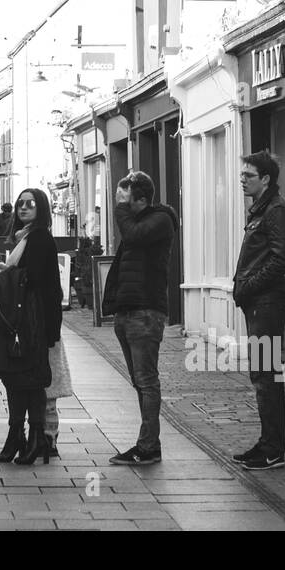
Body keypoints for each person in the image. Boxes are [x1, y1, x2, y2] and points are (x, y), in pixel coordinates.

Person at [102, 170, 176, 465]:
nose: (122, 205)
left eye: (127, 200)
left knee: (146, 381)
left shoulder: (160, 221)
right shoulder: (140, 221)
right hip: (129, 311)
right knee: (139, 381)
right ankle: (149, 444)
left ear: (142, 200)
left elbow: (131, 236)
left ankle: (148, 447)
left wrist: (120, 206)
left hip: (146, 312)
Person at [0, 188, 63, 465]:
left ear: (41, 208)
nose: (23, 208)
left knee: (29, 380)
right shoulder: (24, 238)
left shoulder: (40, 238)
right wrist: (5, 271)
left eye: (30, 204)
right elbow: (23, 276)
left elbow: (39, 280)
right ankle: (18, 435)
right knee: (16, 377)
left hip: (33, 320)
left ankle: (32, 438)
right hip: (20, 318)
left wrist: (3, 275)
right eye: (20, 203)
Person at [231, 151, 285, 471]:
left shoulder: (276, 210)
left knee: (267, 376)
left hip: (268, 303)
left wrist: (248, 285)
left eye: (249, 175)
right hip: (258, 302)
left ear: (266, 179)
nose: (242, 179)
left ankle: (273, 450)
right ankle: (267, 442)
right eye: (242, 175)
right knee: (262, 375)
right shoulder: (261, 209)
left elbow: (282, 261)